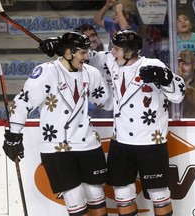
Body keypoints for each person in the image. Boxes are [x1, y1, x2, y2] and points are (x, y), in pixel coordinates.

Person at [39, 29, 186, 216]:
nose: (111, 51)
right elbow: (85, 55)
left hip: (150, 143)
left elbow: (179, 95)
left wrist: (167, 79)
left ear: (129, 51)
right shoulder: (111, 59)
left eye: (116, 48)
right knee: (122, 193)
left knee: (159, 193)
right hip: (121, 142)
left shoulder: (153, 65)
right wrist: (59, 45)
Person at [3, 31, 113, 216]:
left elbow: (107, 102)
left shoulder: (91, 73)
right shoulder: (47, 72)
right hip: (56, 147)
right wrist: (14, 135)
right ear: (68, 52)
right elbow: (23, 101)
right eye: (82, 53)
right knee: (74, 196)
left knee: (96, 193)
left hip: (87, 143)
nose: (86, 57)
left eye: (87, 52)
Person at [75, 24, 114, 118]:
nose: (92, 39)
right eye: (87, 37)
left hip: (113, 105)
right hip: (90, 109)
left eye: (93, 35)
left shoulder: (111, 53)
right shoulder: (77, 60)